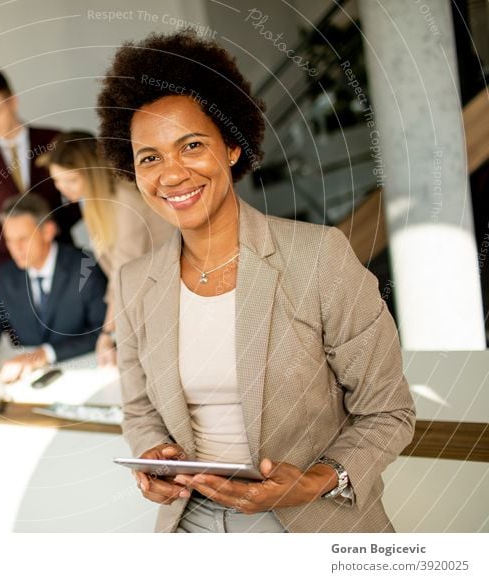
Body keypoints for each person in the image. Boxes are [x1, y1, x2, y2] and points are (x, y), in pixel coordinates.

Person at [97, 31, 415, 533]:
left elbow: (389, 411)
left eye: (192, 146)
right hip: (190, 522)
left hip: (306, 521)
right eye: (149, 157)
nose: (172, 174)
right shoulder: (137, 282)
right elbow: (139, 410)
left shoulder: (317, 257)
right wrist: (151, 456)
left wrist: (317, 479)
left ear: (230, 147)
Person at [41, 131, 174, 366]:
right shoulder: (93, 201)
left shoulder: (124, 203)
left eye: (71, 181)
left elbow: (125, 277)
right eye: (57, 182)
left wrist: (108, 334)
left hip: (168, 300)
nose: (63, 190)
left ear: (92, 174)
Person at [0, 193, 107, 383]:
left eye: (23, 239)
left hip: (85, 373)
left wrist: (42, 355)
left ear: (48, 231)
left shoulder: (85, 266)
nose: (15, 248)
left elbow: (103, 331)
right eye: (9, 240)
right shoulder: (9, 275)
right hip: (28, 382)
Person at [0, 69, 81, 269]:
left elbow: (80, 194)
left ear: (13, 101)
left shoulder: (52, 140)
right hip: (10, 265)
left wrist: (48, 231)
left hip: (61, 254)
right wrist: (14, 240)